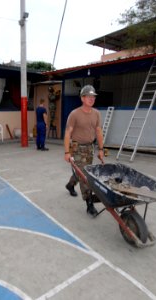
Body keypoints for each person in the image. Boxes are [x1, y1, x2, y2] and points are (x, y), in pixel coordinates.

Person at [63, 85, 105, 217]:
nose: (91, 99)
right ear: (82, 98)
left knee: (82, 171)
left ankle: (70, 185)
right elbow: (67, 133)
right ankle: (89, 204)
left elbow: (98, 131)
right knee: (85, 176)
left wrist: (101, 149)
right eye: (88, 96)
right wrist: (67, 152)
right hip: (77, 148)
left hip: (90, 148)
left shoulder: (97, 113)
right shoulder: (74, 114)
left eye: (93, 97)